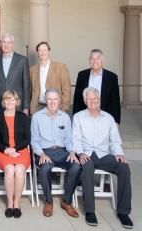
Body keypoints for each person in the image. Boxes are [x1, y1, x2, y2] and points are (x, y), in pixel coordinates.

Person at [72, 87, 133, 228]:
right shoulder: (78, 117)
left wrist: (119, 154)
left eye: (95, 99)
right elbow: (75, 140)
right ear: (84, 101)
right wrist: (80, 153)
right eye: (89, 99)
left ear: (98, 100)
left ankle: (123, 212)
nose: (92, 101)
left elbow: (115, 141)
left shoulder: (109, 118)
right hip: (86, 154)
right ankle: (90, 211)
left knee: (124, 167)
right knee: (87, 167)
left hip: (104, 154)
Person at [30, 88, 81, 218]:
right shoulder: (37, 117)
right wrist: (41, 154)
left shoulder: (65, 117)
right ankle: (49, 201)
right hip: (45, 151)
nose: (52, 102)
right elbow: (34, 140)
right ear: (45, 101)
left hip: (63, 151)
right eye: (50, 99)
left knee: (76, 166)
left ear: (59, 100)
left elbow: (69, 140)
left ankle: (67, 201)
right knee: (45, 168)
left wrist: (72, 152)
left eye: (55, 99)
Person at [0, 90, 30, 218]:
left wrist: (15, 149)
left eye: (12, 100)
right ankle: (9, 204)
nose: (9, 102)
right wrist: (6, 150)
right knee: (9, 170)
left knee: (19, 170)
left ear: (16, 102)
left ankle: (17, 204)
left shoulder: (23, 117)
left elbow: (27, 139)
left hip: (21, 151)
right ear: (3, 102)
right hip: (4, 151)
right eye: (7, 99)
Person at [0, 34, 30, 120]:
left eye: (9, 42)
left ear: (13, 44)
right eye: (4, 42)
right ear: (1, 44)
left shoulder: (22, 60)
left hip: (17, 105)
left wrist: (26, 107)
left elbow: (26, 85)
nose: (6, 45)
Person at [73, 49, 120, 125]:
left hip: (104, 116)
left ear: (102, 60)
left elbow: (115, 101)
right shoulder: (82, 75)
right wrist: (75, 118)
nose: (95, 61)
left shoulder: (112, 77)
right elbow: (77, 99)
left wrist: (117, 121)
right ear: (89, 60)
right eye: (92, 59)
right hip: (85, 115)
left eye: (98, 58)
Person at [29, 41, 71, 115]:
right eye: (40, 50)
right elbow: (30, 90)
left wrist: (64, 108)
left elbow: (66, 89)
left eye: (45, 50)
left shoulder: (61, 67)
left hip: (57, 108)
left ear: (49, 51)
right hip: (38, 108)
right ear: (37, 53)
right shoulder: (32, 69)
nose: (43, 52)